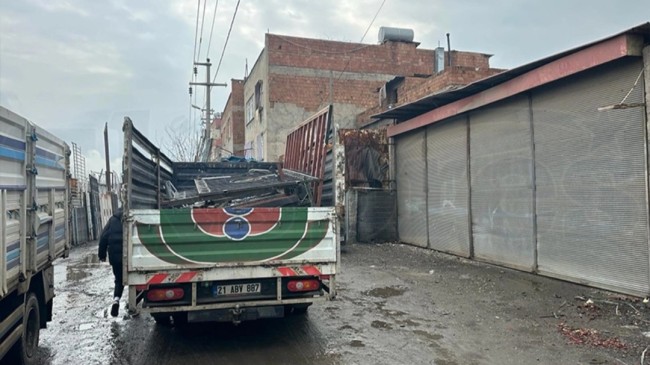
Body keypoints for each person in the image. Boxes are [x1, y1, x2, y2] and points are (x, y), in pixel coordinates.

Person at [98, 207, 124, 317]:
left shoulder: (112, 220)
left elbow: (103, 238)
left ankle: (116, 300)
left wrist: (102, 255)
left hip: (115, 257)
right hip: (131, 256)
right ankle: (137, 300)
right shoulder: (132, 217)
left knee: (119, 280)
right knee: (135, 279)